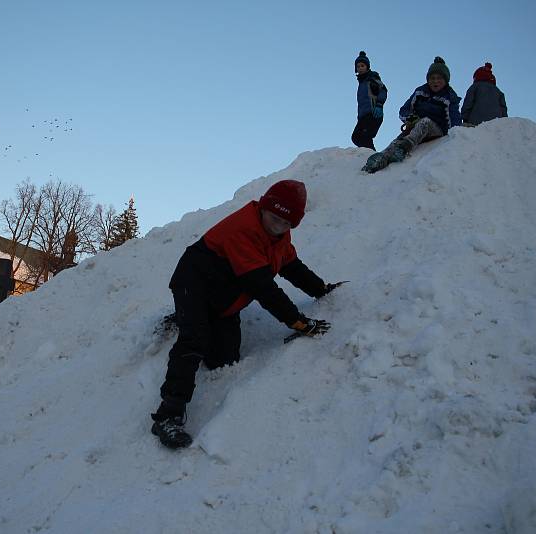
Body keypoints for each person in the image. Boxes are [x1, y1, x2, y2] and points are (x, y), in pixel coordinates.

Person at [151, 180, 341, 449]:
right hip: (193, 282)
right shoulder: (243, 230)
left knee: (223, 360)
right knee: (194, 340)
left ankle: (189, 316)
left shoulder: (278, 236)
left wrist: (321, 289)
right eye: (275, 219)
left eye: (287, 224)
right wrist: (297, 321)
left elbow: (292, 267)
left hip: (224, 295)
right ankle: (167, 415)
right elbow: (263, 288)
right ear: (263, 208)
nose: (279, 227)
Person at [363, 56, 462, 173]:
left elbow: (454, 121)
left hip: (437, 130)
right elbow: (404, 110)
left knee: (425, 122)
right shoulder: (420, 92)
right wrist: (410, 118)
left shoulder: (449, 97)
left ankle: (404, 148)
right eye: (432, 78)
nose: (435, 81)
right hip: (416, 126)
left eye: (439, 78)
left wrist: (456, 135)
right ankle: (381, 159)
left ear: (446, 80)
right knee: (400, 137)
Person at [351, 51, 388, 150]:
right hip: (363, 117)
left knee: (364, 137)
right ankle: (371, 156)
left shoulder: (372, 79)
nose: (360, 68)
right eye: (358, 66)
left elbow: (383, 90)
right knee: (356, 137)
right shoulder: (361, 83)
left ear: (367, 67)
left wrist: (379, 105)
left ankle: (373, 156)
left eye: (362, 66)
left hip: (373, 114)